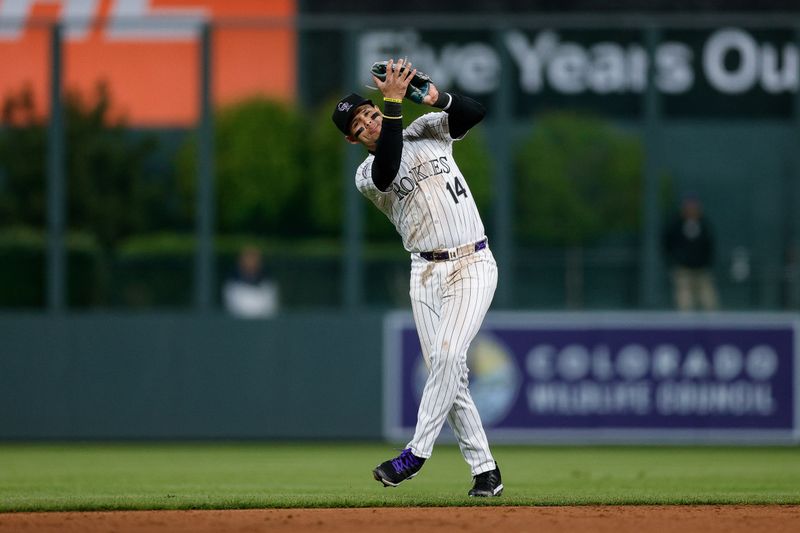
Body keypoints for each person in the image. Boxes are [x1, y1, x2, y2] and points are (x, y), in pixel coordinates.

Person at [331, 58, 502, 497]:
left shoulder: (424, 129)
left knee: (446, 358)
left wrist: (434, 97)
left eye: (370, 111)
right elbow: (389, 167)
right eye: (361, 122)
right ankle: (486, 471)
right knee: (449, 373)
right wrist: (391, 104)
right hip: (425, 272)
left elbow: (475, 112)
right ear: (353, 139)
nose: (370, 119)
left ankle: (415, 455)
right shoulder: (366, 174)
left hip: (473, 262)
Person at [662, 196, 719, 311]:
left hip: (702, 267)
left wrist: (707, 261)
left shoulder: (703, 224)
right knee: (684, 298)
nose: (691, 211)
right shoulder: (676, 224)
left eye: (694, 208)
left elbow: (709, 244)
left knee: (708, 298)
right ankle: (685, 325)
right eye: (689, 208)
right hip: (683, 268)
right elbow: (667, 242)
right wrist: (676, 259)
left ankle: (713, 326)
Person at [222, 246, 279, 318]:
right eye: (248, 259)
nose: (251, 263)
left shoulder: (268, 285)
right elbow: (235, 310)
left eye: (254, 260)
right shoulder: (232, 286)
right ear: (241, 262)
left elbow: (270, 310)